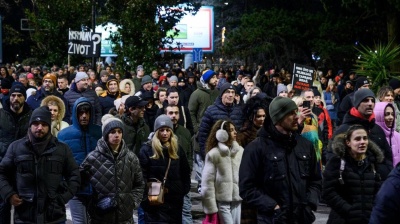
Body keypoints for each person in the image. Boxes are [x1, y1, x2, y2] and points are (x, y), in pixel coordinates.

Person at [239, 96, 321, 223]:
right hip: (272, 219)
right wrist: (273, 207)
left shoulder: (305, 145)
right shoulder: (256, 148)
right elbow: (247, 188)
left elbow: (316, 180)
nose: (296, 117)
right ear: (278, 118)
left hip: (301, 218)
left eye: (296, 112)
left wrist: (309, 203)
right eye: (290, 114)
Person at [0, 106, 80, 223]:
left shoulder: (62, 149)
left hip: (54, 217)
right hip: (25, 217)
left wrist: (63, 198)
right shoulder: (16, 147)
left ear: (49, 126)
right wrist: (8, 194)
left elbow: (74, 176)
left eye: (44, 124)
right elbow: (2, 173)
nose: (39, 128)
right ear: (30, 125)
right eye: (36, 124)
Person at [81, 115, 145, 224]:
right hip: (101, 217)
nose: (117, 135)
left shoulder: (131, 158)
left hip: (125, 218)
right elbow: (81, 183)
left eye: (119, 132)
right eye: (113, 132)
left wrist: (132, 202)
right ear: (106, 135)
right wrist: (92, 203)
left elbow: (139, 184)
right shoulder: (93, 158)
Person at [322, 125, 390, 224]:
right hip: (342, 219)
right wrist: (349, 210)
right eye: (357, 139)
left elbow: (378, 191)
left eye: (365, 138)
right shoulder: (337, 162)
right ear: (348, 142)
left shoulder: (373, 163)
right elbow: (328, 192)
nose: (362, 142)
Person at [326, 89, 393, 178]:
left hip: (378, 185)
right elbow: (332, 159)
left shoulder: (377, 129)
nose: (370, 103)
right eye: (365, 100)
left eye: (372, 100)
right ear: (357, 104)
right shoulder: (344, 129)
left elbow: (387, 157)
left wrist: (385, 174)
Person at [139, 115, 191, 223]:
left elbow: (185, 171)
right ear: (156, 131)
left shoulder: (177, 149)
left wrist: (183, 190)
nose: (165, 133)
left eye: (168, 130)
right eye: (161, 130)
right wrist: (145, 201)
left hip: (175, 201)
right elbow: (142, 176)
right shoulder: (147, 150)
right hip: (154, 201)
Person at [58, 97, 102, 224]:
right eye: (81, 113)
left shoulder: (99, 132)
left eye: (87, 112)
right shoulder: (64, 135)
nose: (84, 116)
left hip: (97, 188)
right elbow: (60, 162)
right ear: (75, 114)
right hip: (75, 188)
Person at [201, 119, 244, 223]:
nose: (235, 132)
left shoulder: (240, 151)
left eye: (235, 129)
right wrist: (211, 207)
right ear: (222, 133)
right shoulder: (214, 154)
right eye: (231, 130)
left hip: (237, 200)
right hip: (222, 201)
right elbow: (207, 183)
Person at [0, 84, 32, 223]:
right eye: (13, 95)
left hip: (24, 169)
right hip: (3, 168)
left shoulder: (32, 116)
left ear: (24, 98)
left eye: (19, 96)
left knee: (25, 209)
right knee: (2, 208)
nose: (16, 99)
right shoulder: (1, 115)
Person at [164, 104, 193, 223]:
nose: (174, 116)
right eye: (170, 113)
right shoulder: (161, 133)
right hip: (166, 182)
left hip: (181, 178)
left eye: (176, 113)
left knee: (186, 210)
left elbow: (189, 154)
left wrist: (188, 171)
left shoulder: (185, 132)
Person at [374, 102, 400, 167]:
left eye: (392, 114)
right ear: (379, 116)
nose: (391, 117)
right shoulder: (373, 137)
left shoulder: (398, 136)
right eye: (387, 114)